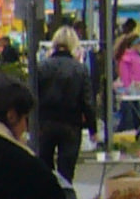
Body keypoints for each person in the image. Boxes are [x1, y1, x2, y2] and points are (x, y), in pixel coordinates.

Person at [34, 27, 98, 186]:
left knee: (44, 168)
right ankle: (65, 196)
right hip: (71, 124)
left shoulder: (42, 67)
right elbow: (87, 102)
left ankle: (48, 195)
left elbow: (33, 96)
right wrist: (93, 129)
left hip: (45, 123)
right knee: (66, 172)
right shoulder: (80, 69)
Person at [117, 28, 140, 93]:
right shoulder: (125, 59)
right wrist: (128, 91)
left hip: (139, 91)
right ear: (134, 44)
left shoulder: (138, 57)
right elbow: (125, 79)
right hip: (131, 94)